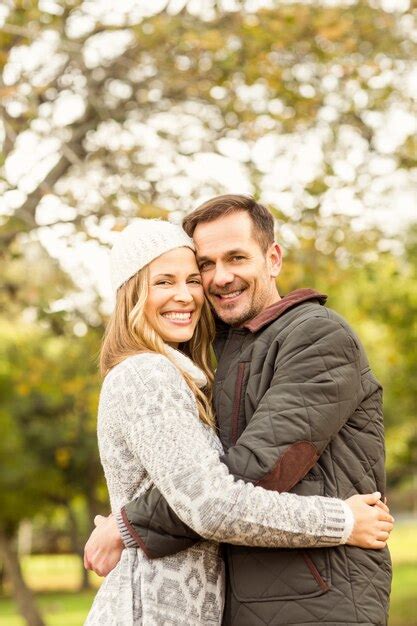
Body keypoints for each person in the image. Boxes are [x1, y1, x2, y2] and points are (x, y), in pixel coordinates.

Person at [84, 201, 393, 626]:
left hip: (315, 597)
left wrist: (129, 524)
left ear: (273, 259)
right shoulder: (199, 360)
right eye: (206, 264)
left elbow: (259, 469)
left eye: (236, 258)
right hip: (238, 598)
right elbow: (203, 489)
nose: (220, 277)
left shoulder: (316, 336)